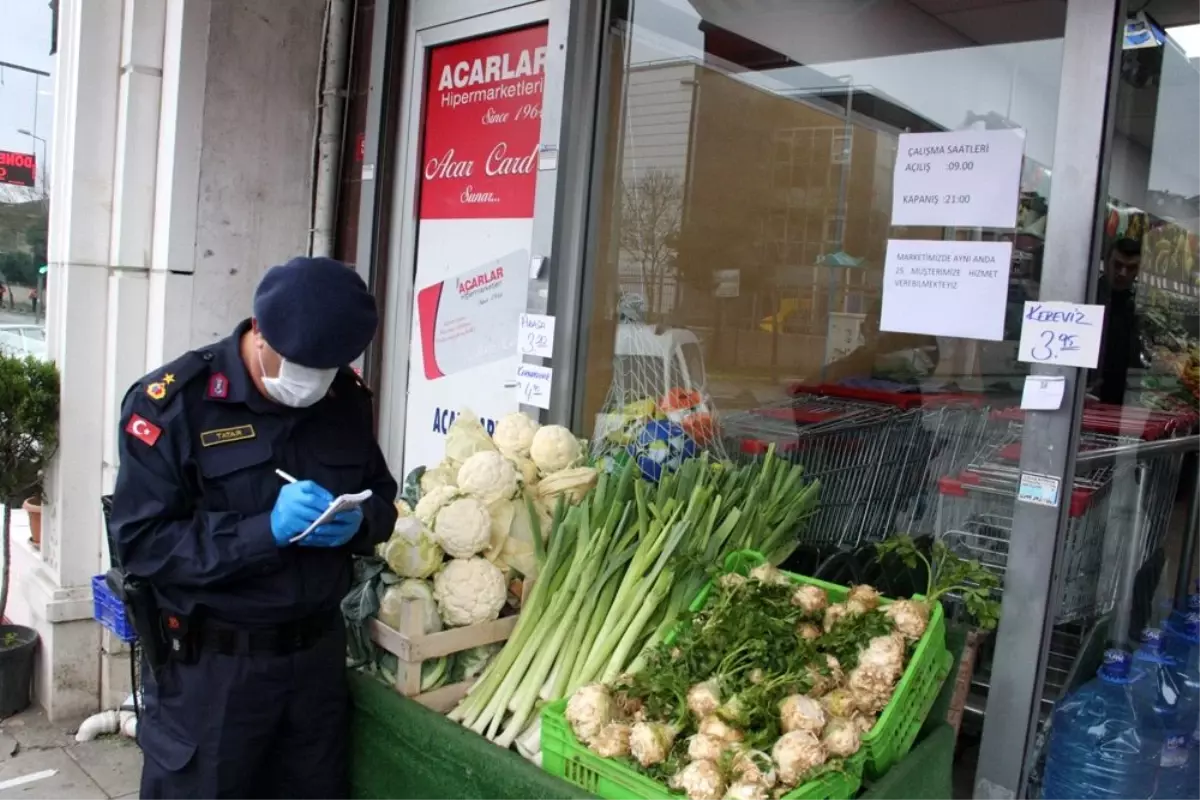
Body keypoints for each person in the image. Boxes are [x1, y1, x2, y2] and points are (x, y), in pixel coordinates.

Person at [109, 256, 399, 799]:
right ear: (258, 330)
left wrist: (361, 522)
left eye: (328, 368)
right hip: (212, 676)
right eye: (301, 364)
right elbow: (142, 545)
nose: (312, 381)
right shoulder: (176, 405)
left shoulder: (344, 400)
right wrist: (264, 532)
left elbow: (382, 495)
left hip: (315, 669)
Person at [1091, 237, 1144, 405]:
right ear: (1106, 261)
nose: (1123, 273)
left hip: (1125, 394)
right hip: (1088, 392)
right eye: (1118, 265)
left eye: (1131, 268)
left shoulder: (1138, 306)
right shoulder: (1089, 297)